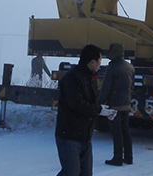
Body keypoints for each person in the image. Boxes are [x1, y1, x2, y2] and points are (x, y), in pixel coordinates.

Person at [55, 44, 116, 176]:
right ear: (92, 62)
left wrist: (103, 111)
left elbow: (91, 104)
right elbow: (78, 104)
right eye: (100, 61)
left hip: (85, 136)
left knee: (86, 173)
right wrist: (99, 110)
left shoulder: (91, 78)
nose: (100, 64)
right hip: (69, 136)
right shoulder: (72, 78)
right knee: (71, 173)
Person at [99, 43, 135, 166]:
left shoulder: (112, 67)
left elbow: (106, 88)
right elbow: (132, 86)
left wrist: (99, 103)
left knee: (116, 132)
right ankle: (129, 157)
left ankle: (117, 158)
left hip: (115, 105)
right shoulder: (130, 67)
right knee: (125, 130)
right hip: (126, 104)